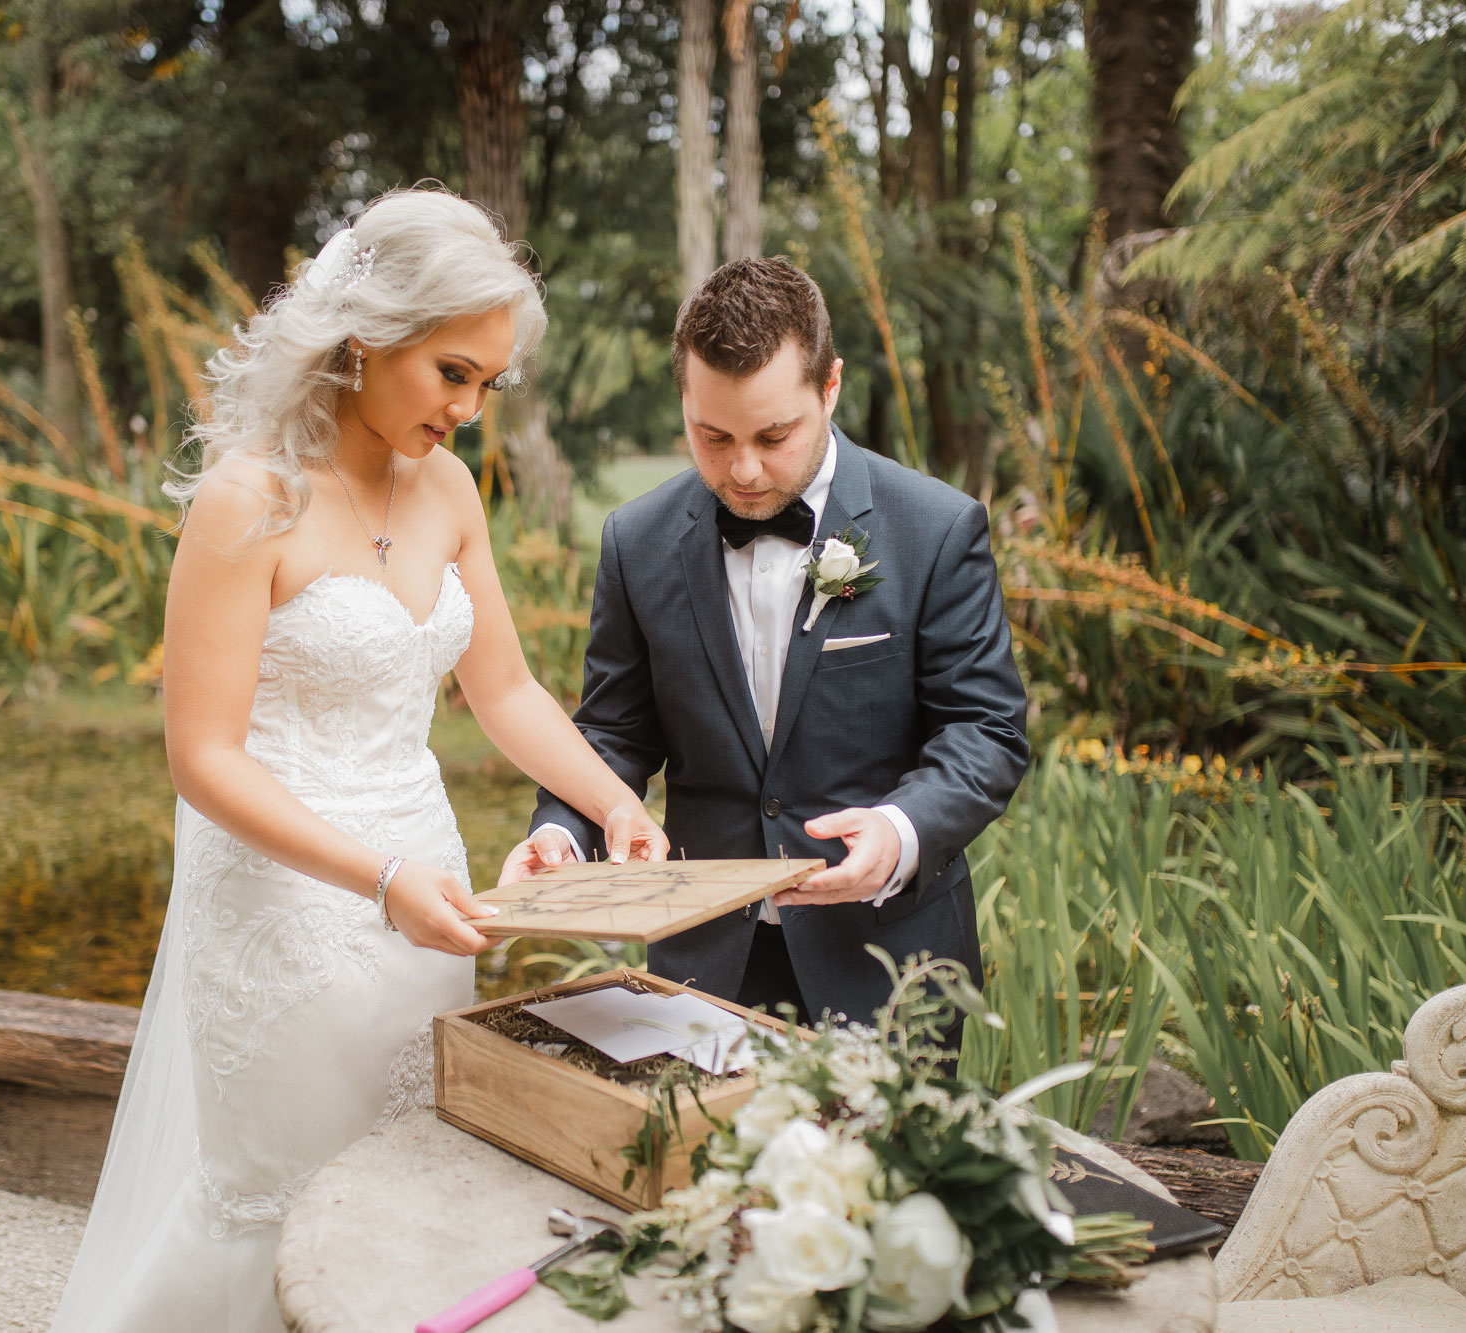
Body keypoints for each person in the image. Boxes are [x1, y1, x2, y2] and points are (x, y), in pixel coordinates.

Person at [51, 188, 667, 1333]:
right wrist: (375, 881)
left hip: (430, 893)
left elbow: (502, 689)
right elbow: (202, 756)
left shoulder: (448, 490)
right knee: (278, 1197)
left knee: (403, 1189)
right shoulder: (249, 500)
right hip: (286, 904)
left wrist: (610, 798)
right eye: (452, 373)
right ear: (365, 337)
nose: (471, 409)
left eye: (489, 383)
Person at [503, 256, 1027, 1039]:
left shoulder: (936, 529)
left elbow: (986, 730)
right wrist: (564, 833)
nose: (743, 470)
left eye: (774, 435)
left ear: (831, 388)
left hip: (887, 958)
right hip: (703, 962)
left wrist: (899, 829)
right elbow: (614, 731)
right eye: (712, 436)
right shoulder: (636, 540)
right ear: (683, 400)